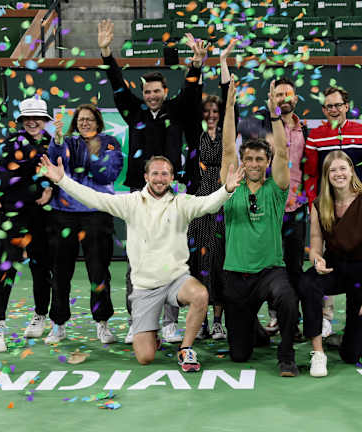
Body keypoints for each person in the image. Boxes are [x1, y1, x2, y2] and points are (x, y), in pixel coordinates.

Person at [39, 153, 243, 371]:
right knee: (145, 357)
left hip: (176, 280)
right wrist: (62, 180)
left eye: (165, 174)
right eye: (155, 173)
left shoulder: (181, 203)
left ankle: (186, 348)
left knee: (200, 294)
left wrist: (227, 190)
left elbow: (208, 204)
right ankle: (151, 336)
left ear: (172, 178)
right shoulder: (131, 202)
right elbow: (95, 198)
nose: (160, 178)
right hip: (145, 288)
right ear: (146, 176)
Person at [97, 19, 207, 344]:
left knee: (172, 257)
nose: (152, 96)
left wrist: (196, 64)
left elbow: (192, 92)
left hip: (172, 195)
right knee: (139, 259)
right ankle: (138, 322)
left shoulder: (178, 110)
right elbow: (118, 85)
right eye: (147, 92)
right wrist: (107, 54)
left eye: (157, 91)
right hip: (139, 195)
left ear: (165, 92)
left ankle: (170, 323)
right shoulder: (135, 112)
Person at [220, 79, 300, 377]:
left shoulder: (275, 189)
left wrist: (275, 115)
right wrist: (229, 106)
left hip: (269, 272)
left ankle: (287, 356)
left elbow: (283, 151)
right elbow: (227, 146)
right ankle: (255, 331)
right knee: (240, 355)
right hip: (236, 275)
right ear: (242, 162)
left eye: (259, 159)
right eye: (249, 159)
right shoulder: (232, 187)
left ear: (267, 162)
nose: (254, 163)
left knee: (288, 298)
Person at [45, 104, 123, 345]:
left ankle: (102, 323)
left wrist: (94, 154)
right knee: (60, 272)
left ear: (98, 122)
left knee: (99, 271)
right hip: (64, 214)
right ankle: (58, 324)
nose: (85, 123)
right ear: (75, 123)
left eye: (89, 119)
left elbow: (107, 174)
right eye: (81, 120)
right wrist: (57, 141)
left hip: (97, 214)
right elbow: (55, 164)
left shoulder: (110, 143)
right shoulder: (67, 142)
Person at [238, 76, 309, 337]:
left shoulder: (304, 129)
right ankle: (274, 316)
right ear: (272, 99)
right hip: (268, 207)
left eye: (287, 94)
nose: (283, 99)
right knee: (269, 266)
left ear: (296, 98)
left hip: (296, 207)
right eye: (278, 95)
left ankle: (293, 322)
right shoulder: (259, 122)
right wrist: (269, 121)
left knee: (294, 266)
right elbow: (242, 125)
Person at [300, 151, 362, 377]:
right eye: (332, 170)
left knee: (352, 354)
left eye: (343, 168)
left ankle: (347, 339)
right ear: (326, 175)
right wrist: (317, 260)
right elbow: (315, 246)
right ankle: (318, 352)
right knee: (307, 282)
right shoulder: (319, 204)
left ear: (351, 171)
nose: (338, 174)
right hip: (334, 268)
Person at [0, 97, 55, 352]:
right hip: (13, 214)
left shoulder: (53, 144)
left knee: (41, 265)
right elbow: (0, 172)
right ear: (22, 121)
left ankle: (40, 314)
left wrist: (50, 187)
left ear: (45, 120)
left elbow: (58, 173)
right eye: (28, 118)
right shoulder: (10, 143)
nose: (33, 122)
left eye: (37, 118)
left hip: (41, 214)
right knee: (7, 266)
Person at [182, 38, 238, 341]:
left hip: (223, 201)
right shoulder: (195, 134)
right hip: (198, 203)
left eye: (217, 110)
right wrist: (198, 63)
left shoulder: (229, 132)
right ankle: (200, 319)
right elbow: (192, 98)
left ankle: (218, 321)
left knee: (220, 260)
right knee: (200, 261)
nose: (213, 114)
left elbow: (230, 98)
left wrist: (223, 61)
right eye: (208, 111)